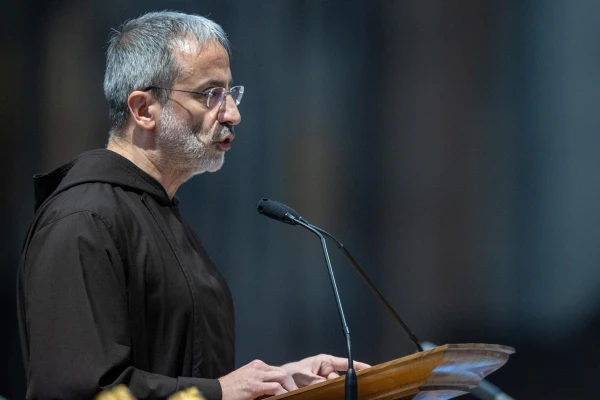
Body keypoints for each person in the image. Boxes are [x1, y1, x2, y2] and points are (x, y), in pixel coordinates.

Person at [16, 10, 369, 400]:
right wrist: (219, 392)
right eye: (210, 94)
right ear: (144, 109)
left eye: (231, 93)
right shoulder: (83, 220)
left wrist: (276, 384)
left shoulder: (154, 210)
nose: (233, 114)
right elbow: (72, 390)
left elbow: (182, 368)